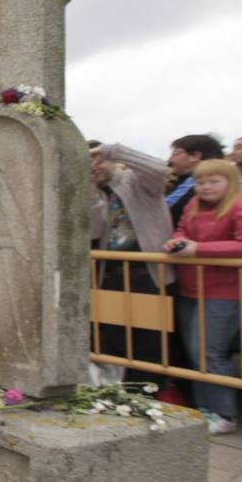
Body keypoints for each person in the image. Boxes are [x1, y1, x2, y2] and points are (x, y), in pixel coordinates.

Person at [164, 159, 242, 434]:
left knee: (211, 352)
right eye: (200, 182)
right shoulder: (194, 204)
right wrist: (177, 240)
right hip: (192, 287)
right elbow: (183, 228)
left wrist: (199, 249)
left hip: (227, 291)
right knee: (197, 353)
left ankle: (224, 413)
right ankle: (205, 408)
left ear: (230, 181)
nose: (205, 187)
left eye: (213, 181)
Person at [88, 142, 176, 381]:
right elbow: (94, 232)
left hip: (148, 276)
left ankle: (149, 392)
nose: (94, 167)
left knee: (148, 342)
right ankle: (121, 392)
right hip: (113, 275)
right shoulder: (98, 191)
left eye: (98, 162)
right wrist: (92, 192)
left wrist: (113, 150)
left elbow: (158, 169)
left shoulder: (136, 182)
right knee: (117, 340)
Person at [166, 134, 223, 228]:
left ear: (195, 156)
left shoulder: (194, 182)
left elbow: (165, 211)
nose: (170, 160)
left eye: (175, 154)